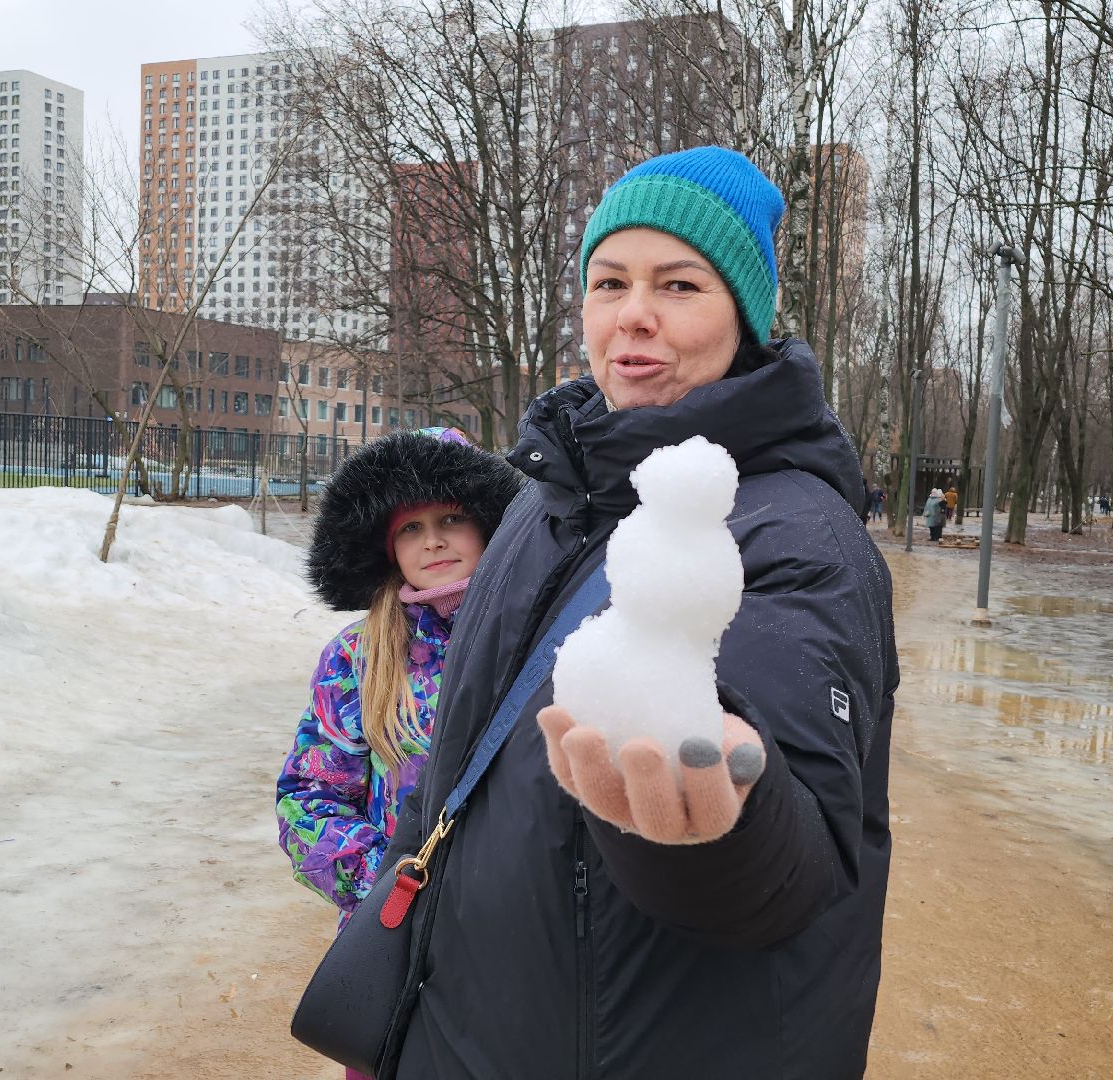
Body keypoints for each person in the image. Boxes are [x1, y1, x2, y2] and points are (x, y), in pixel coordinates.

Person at [364, 146, 897, 1079]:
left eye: (679, 284)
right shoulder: (538, 506)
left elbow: (794, 872)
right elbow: (461, 746)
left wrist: (716, 827)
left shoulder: (801, 537)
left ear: (744, 317)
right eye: (609, 282)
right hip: (462, 1037)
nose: (633, 313)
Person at [274, 428, 521, 975]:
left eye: (451, 518)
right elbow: (310, 796)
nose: (432, 541)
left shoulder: (536, 641)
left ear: (488, 524)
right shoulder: (357, 658)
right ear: (389, 548)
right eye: (411, 527)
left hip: (523, 933)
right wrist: (388, 885)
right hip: (403, 940)